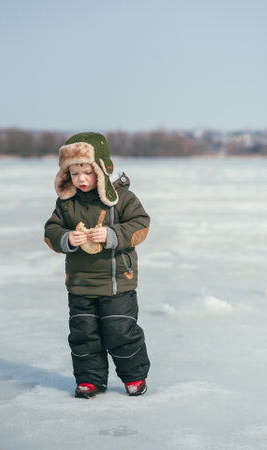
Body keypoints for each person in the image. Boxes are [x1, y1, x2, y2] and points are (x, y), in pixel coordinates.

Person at [44, 132, 150, 399]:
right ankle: (90, 380)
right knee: (84, 335)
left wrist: (113, 235)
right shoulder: (67, 203)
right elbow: (51, 231)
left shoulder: (122, 198)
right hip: (80, 284)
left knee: (120, 331)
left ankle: (134, 376)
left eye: (87, 173)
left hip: (117, 283)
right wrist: (67, 238)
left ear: (101, 170)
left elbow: (141, 225)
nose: (81, 180)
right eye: (74, 173)